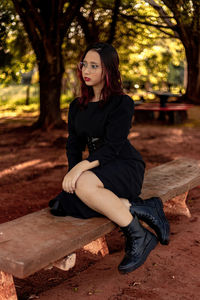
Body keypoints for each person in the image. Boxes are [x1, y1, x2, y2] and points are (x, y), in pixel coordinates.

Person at [49, 42, 170, 274]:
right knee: (62, 203)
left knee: (82, 186)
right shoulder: (77, 106)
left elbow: (114, 147)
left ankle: (138, 236)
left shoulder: (122, 103)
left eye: (95, 66)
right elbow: (73, 145)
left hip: (124, 166)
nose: (87, 70)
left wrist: (79, 172)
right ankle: (138, 207)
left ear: (108, 71)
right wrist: (73, 172)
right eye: (85, 64)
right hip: (97, 172)